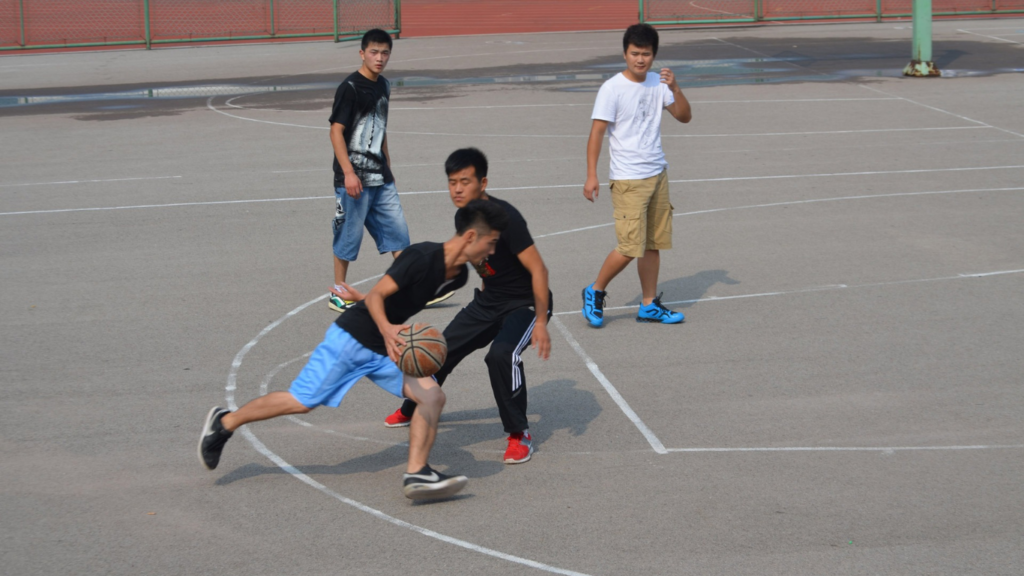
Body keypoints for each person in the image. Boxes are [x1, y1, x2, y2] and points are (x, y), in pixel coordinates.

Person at [199, 200, 509, 500]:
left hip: (387, 349)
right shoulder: (421, 257)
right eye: (491, 242)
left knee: (432, 396)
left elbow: (394, 298)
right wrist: (386, 327)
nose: (492, 250)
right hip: (351, 339)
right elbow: (377, 298)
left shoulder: (457, 276)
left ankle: (417, 473)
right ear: (471, 236)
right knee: (302, 401)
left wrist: (385, 324)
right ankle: (226, 422)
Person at [381, 148, 552, 465]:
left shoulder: (507, 219)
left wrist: (540, 321)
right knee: (440, 347)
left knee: (502, 355)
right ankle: (414, 404)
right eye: (451, 182)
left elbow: (539, 270)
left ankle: (519, 433)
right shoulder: (464, 217)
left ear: (483, 182)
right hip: (490, 299)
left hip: (525, 303)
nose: (457, 189)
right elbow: (484, 265)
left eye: (465, 181)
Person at [326, 29, 455, 312]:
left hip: (381, 177)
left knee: (398, 235)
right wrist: (348, 172)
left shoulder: (384, 85)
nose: (379, 58)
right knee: (348, 236)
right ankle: (338, 292)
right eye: (374, 52)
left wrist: (388, 163)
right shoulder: (350, 88)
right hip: (354, 179)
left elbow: (380, 128)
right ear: (362, 53)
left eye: (385, 53)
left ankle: (416, 289)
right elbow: (336, 132)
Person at [581, 24, 692, 328]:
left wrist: (676, 88)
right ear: (625, 53)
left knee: (653, 244)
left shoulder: (659, 84)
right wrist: (591, 175)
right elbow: (597, 133)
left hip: (657, 173)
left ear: (654, 55)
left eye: (646, 54)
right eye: (634, 53)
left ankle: (649, 304)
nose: (640, 59)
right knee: (630, 246)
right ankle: (595, 290)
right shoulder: (612, 88)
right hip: (628, 179)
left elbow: (684, 116)